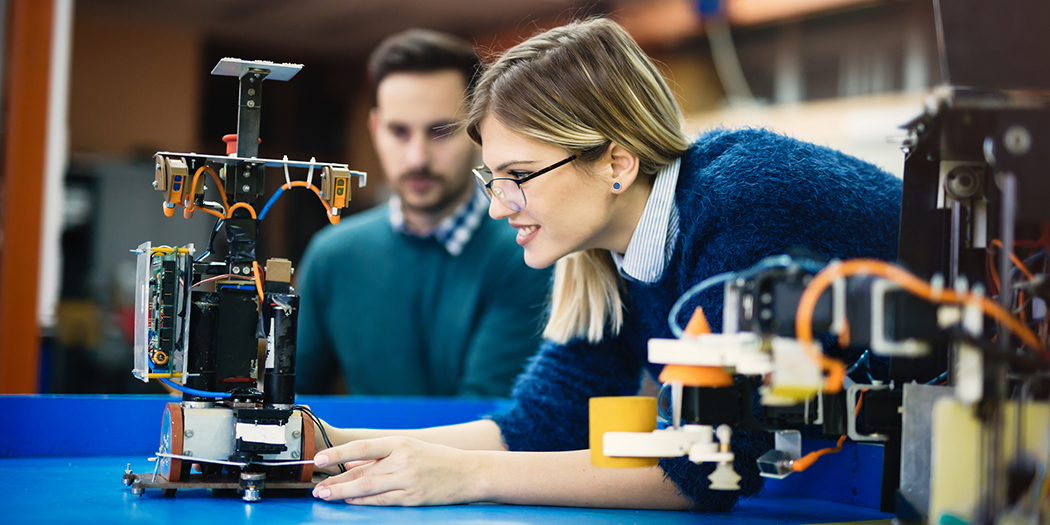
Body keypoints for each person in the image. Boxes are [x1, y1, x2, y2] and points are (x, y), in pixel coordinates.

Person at [307, 18, 902, 510]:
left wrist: (469, 475)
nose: (498, 208)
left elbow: (703, 468)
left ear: (616, 164)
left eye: (518, 177)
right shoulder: (610, 251)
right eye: (492, 179)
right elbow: (544, 422)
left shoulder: (740, 204)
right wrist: (333, 443)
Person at [295, 29, 551, 397]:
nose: (417, 158)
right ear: (375, 129)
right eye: (399, 131)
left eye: (441, 131)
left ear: (480, 131)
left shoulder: (526, 252)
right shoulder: (332, 255)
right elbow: (291, 401)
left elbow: (487, 416)